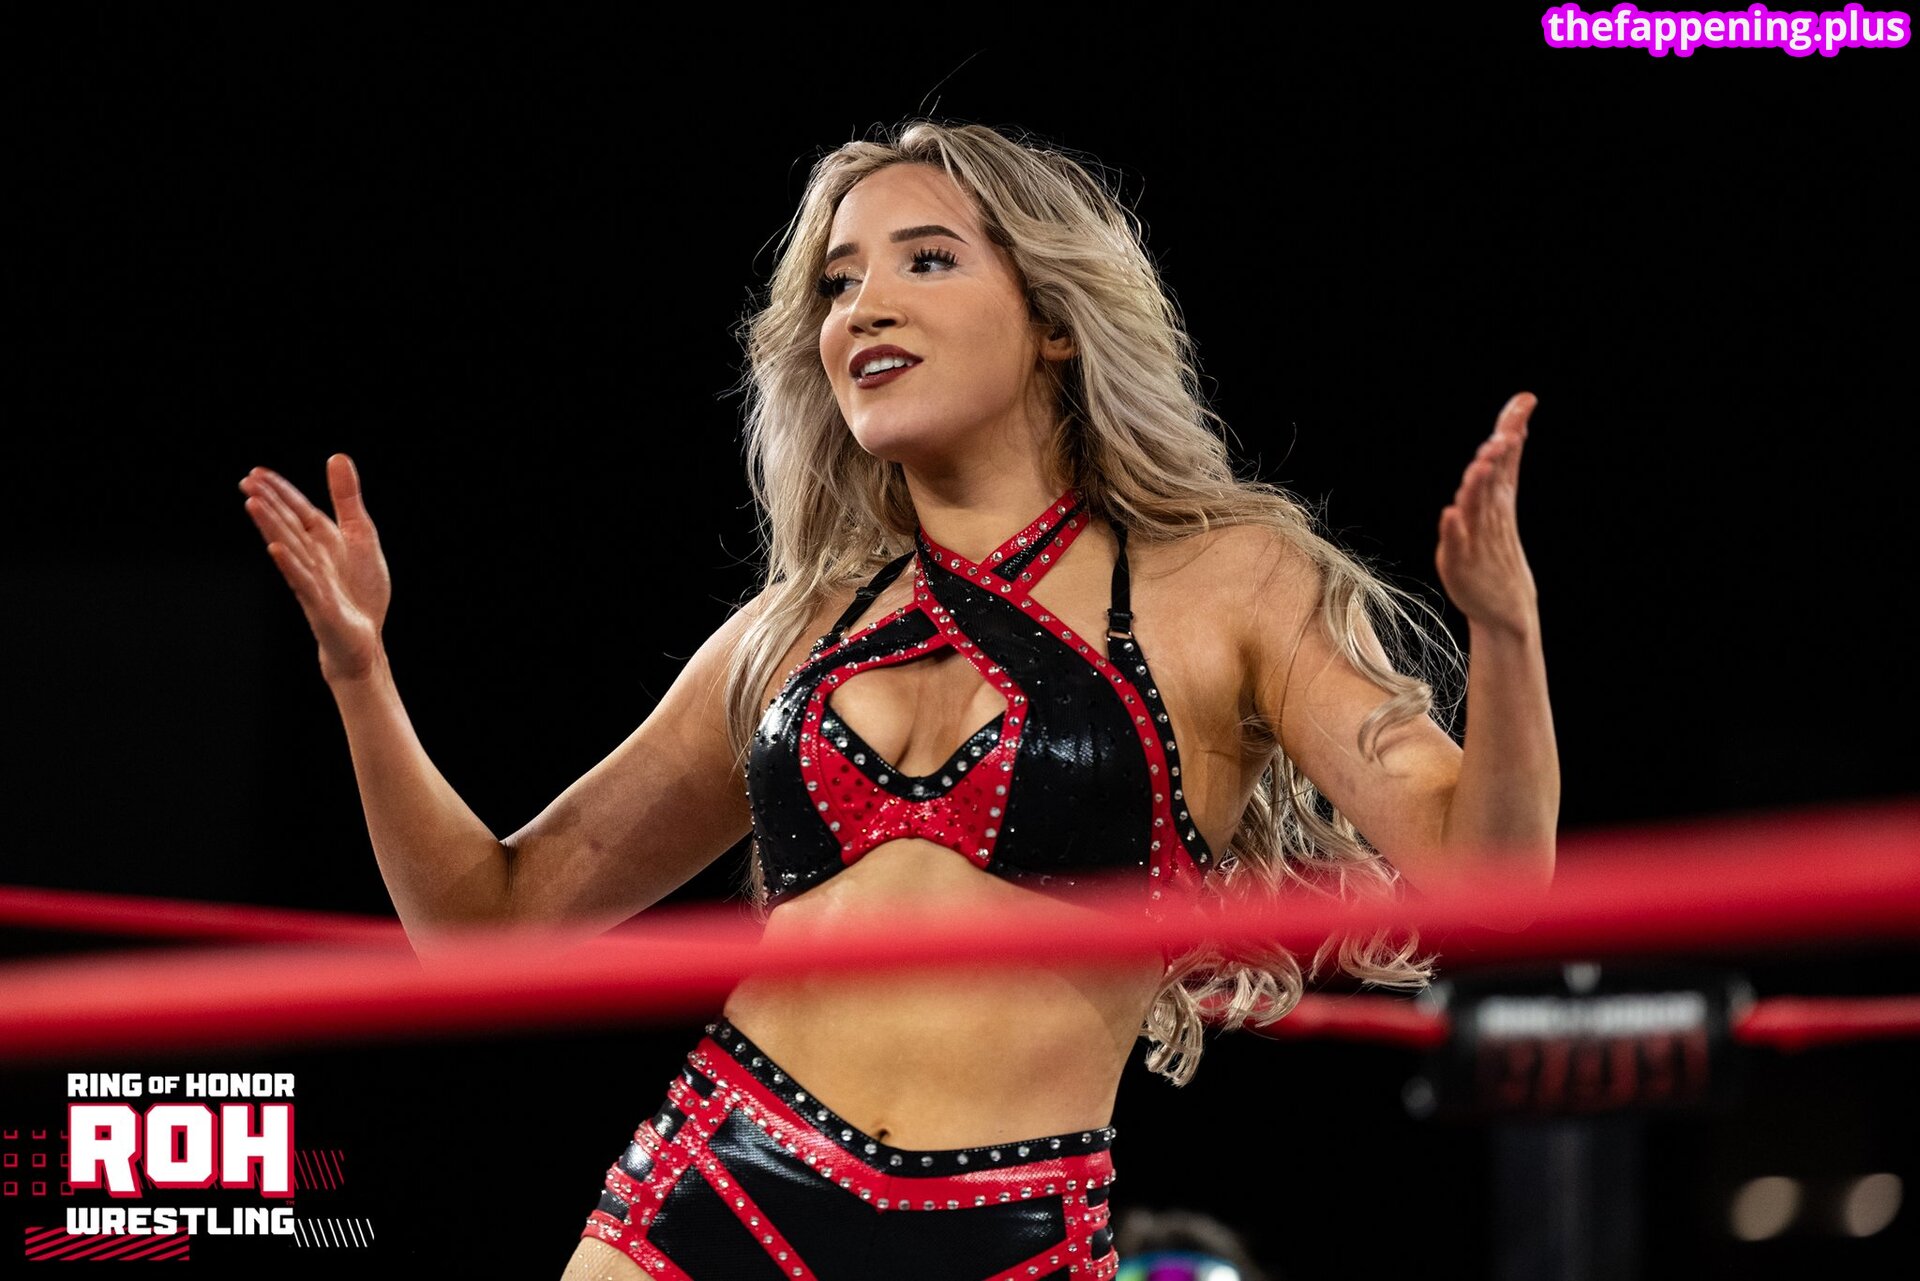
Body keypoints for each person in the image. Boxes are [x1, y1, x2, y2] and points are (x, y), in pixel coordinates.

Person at [237, 120, 1559, 1281]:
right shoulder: (793, 627)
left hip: (1010, 1232)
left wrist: (1505, 634)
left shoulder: (1232, 581)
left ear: (1052, 317)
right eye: (838, 280)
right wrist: (361, 676)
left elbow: (1491, 882)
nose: (865, 305)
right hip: (716, 1194)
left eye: (926, 260)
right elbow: (488, 925)